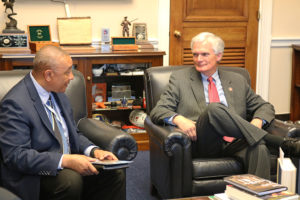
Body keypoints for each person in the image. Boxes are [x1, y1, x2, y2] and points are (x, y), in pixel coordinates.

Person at [150, 32, 300, 179]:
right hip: (203, 141)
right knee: (214, 109)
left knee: (258, 146)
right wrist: (179, 119)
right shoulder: (180, 79)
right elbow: (158, 110)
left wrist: (258, 121)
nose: (198, 59)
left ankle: (257, 196)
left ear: (219, 56)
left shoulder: (237, 80)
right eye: (195, 54)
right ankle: (281, 143)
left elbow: (265, 106)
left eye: (204, 54)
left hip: (236, 140)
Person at [0, 45, 125, 200]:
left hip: (69, 163)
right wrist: (65, 160)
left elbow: (72, 133)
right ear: (48, 75)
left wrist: (93, 151)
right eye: (67, 72)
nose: (72, 77)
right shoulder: (15, 103)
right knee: (70, 181)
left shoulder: (58, 92)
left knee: (114, 174)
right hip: (37, 173)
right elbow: (16, 156)